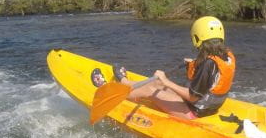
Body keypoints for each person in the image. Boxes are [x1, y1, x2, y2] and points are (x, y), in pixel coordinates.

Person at [96, 16, 236, 120]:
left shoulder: (208, 64)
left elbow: (192, 97)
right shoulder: (226, 55)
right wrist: (194, 64)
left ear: (197, 37)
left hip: (194, 113)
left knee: (152, 89)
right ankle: (126, 83)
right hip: (206, 108)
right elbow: (213, 76)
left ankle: (113, 94)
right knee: (156, 83)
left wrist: (166, 81)